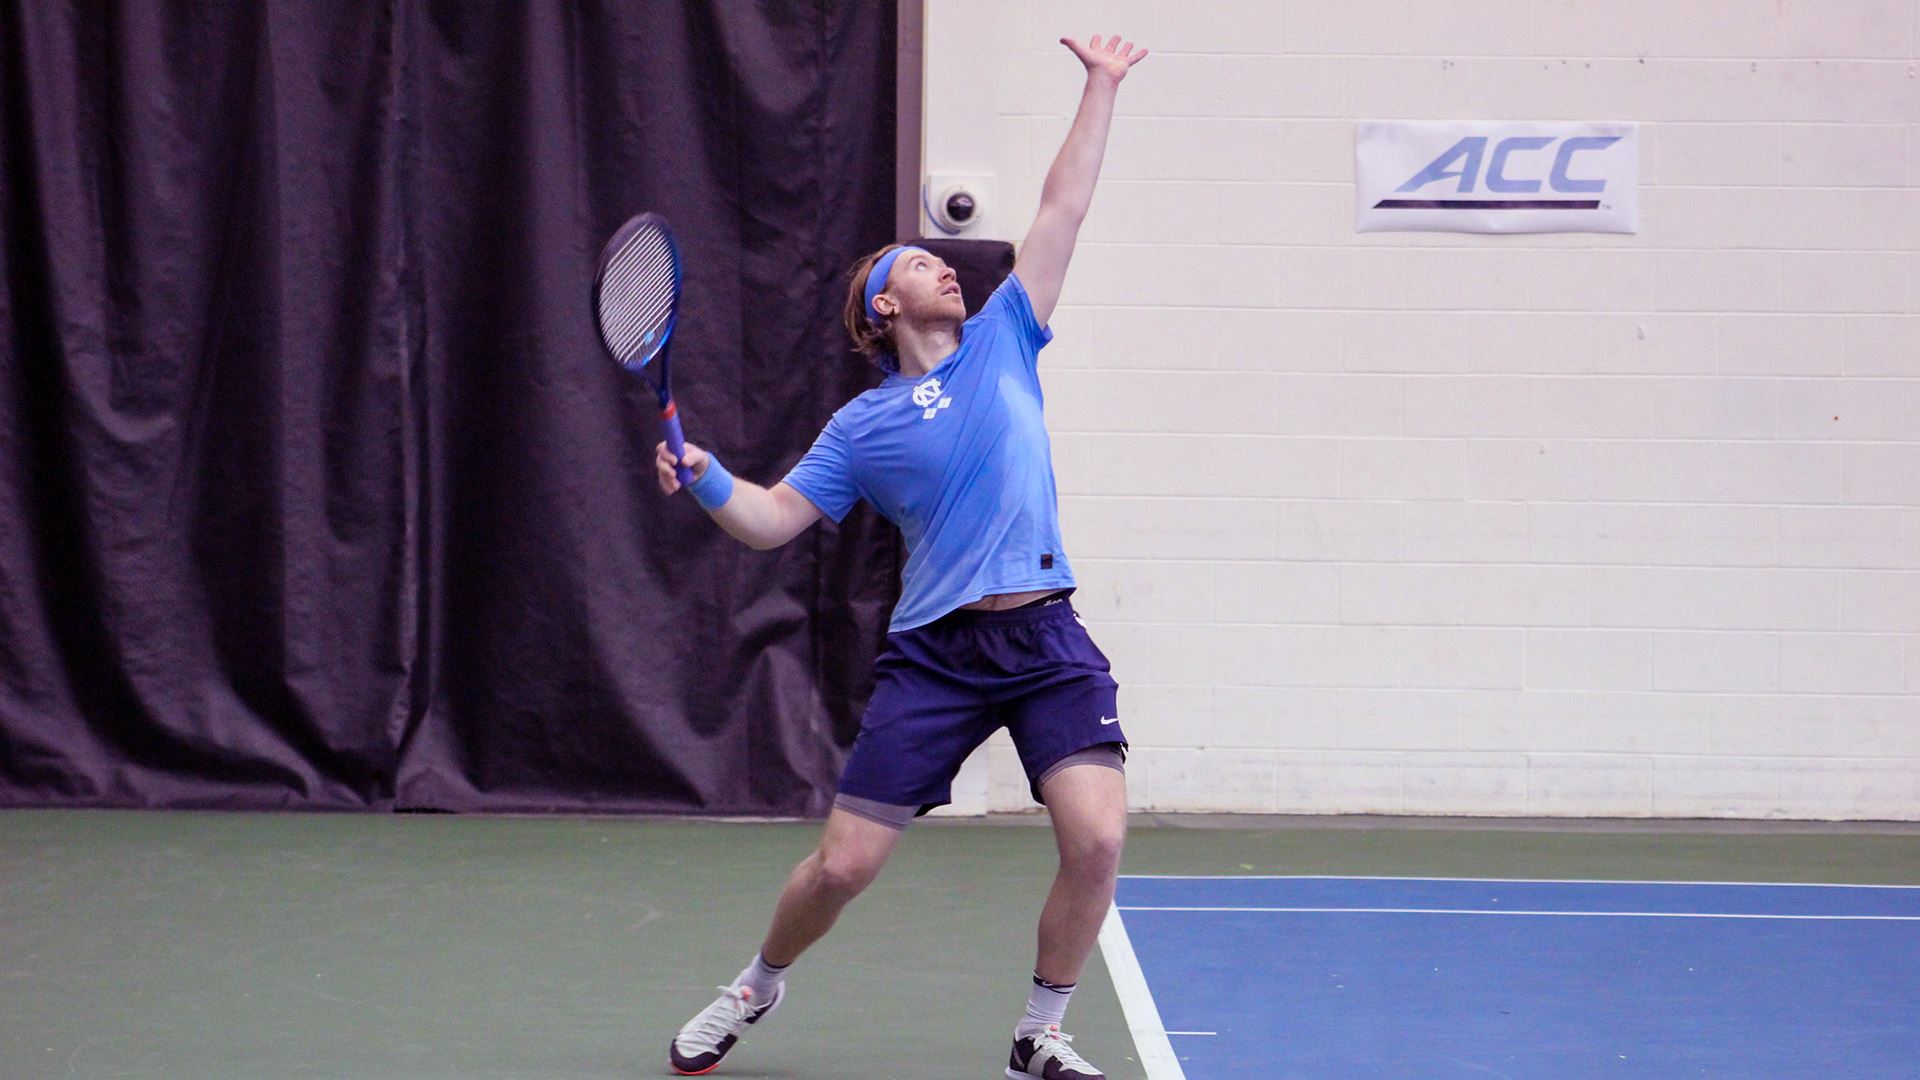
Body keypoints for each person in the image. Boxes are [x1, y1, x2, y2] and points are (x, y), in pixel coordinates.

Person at [660, 33, 1149, 1080]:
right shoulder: (860, 429)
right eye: (920, 263)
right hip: (936, 656)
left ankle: (1040, 1032)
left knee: (1098, 839)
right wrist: (704, 475)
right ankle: (755, 985)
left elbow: (1064, 206)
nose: (945, 267)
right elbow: (772, 520)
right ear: (887, 305)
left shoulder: (1008, 333)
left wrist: (1100, 84)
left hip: (1046, 635)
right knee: (841, 868)